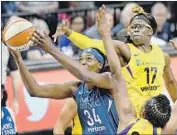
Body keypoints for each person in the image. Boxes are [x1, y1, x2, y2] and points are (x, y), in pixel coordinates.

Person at [53, 5, 177, 116]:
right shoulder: (124, 49)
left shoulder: (163, 55)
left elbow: (170, 82)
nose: (135, 29)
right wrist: (68, 32)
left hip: (156, 114)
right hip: (131, 116)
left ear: (150, 31)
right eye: (133, 27)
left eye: (140, 26)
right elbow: (91, 43)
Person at [7, 39, 119, 134]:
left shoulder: (109, 80)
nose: (83, 62)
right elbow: (35, 90)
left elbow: (86, 76)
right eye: (80, 60)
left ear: (101, 64)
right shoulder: (76, 89)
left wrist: (51, 49)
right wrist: (18, 59)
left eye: (89, 59)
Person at [96, 5, 177, 134]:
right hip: (156, 114)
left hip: (134, 116)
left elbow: (113, 72)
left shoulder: (127, 116)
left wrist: (105, 34)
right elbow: (172, 84)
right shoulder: (165, 130)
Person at [53, 29, 129, 135]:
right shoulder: (78, 94)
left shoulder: (114, 90)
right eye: (81, 60)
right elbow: (58, 128)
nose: (84, 63)